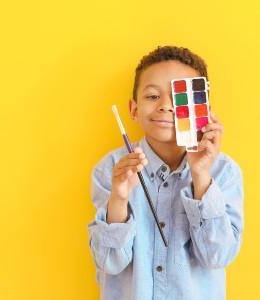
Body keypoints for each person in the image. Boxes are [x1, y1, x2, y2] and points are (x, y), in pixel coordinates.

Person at [88, 46, 244, 300]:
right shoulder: (111, 169)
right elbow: (109, 262)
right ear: (134, 109)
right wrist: (119, 198)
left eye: (179, 97)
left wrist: (201, 176)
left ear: (200, 109)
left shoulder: (224, 172)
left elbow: (218, 256)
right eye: (152, 96)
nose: (165, 106)